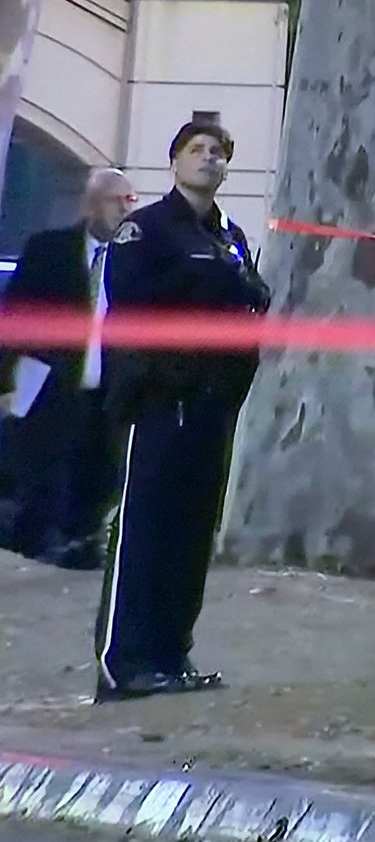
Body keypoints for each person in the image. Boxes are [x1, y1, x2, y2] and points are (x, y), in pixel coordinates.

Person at [94, 121, 271, 703]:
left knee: (191, 534)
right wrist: (209, 280)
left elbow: (252, 297)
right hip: (157, 402)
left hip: (211, 405)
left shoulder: (231, 236)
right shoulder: (144, 230)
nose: (209, 160)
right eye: (197, 150)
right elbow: (134, 303)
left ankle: (172, 653)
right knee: (144, 530)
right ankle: (124, 662)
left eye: (219, 152)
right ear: (174, 161)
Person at [0, 169, 136, 569]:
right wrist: (4, 378)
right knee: (43, 475)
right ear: (91, 204)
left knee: (99, 473)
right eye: (117, 200)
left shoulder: (134, 262)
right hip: (48, 383)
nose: (125, 210)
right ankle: (30, 548)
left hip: (107, 389)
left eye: (131, 201)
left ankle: (81, 547)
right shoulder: (49, 250)